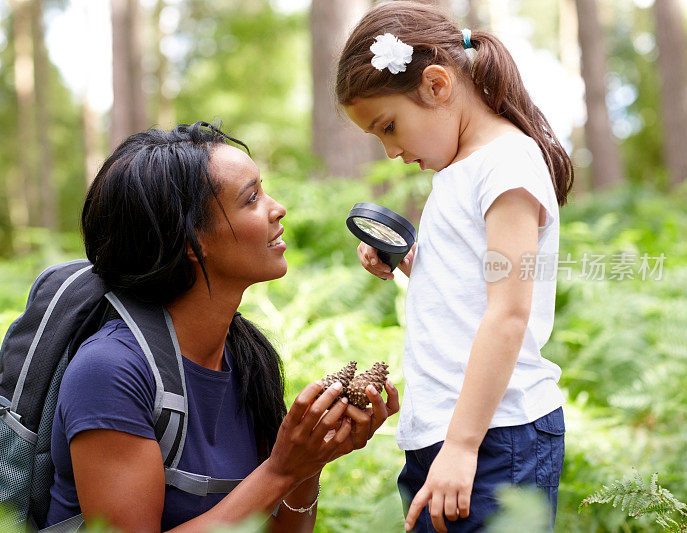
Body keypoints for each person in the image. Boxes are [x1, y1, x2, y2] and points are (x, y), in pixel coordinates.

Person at [43, 122, 400, 532]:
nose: (277, 207)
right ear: (191, 243)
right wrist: (281, 470)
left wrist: (308, 464)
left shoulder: (248, 358)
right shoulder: (110, 372)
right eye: (251, 199)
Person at [335, 2, 573, 532]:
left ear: (437, 85)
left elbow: (509, 313)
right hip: (445, 436)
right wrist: (409, 260)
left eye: (390, 127)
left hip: (494, 436)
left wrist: (463, 447)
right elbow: (467, 285)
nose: (391, 151)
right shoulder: (460, 169)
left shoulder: (507, 164)